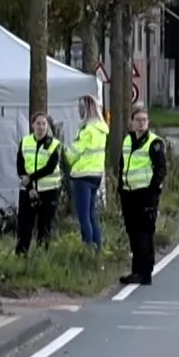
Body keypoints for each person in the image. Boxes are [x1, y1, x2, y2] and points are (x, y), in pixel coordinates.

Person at [116, 107, 169, 285]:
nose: (141, 123)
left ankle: (145, 272)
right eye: (138, 120)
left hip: (145, 195)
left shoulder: (154, 143)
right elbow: (122, 165)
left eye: (144, 120)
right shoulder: (127, 140)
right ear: (131, 122)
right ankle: (136, 271)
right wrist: (120, 188)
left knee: (144, 234)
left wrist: (151, 191)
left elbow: (161, 170)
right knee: (133, 233)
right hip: (129, 194)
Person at [66, 94, 110, 252]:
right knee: (92, 215)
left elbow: (73, 153)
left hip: (82, 175)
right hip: (96, 174)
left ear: (86, 109)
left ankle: (88, 250)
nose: (79, 111)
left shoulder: (87, 130)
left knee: (84, 217)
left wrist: (65, 153)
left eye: (81, 108)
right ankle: (98, 249)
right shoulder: (101, 129)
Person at [15, 113, 63, 254]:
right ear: (32, 125)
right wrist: (30, 187)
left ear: (47, 126)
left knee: (44, 226)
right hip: (27, 191)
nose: (41, 127)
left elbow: (50, 167)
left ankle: (42, 256)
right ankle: (21, 255)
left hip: (48, 190)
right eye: (38, 123)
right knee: (24, 226)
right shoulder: (25, 142)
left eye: (44, 124)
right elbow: (20, 166)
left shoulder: (53, 144)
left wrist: (31, 178)